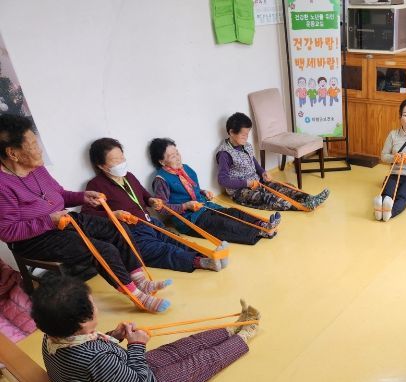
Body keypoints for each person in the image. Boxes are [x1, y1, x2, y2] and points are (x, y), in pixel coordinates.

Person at [32, 275, 260, 382]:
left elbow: (97, 360)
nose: (97, 306)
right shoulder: (95, 360)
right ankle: (244, 335)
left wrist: (115, 336)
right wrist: (136, 346)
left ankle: (230, 330)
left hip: (122, 376)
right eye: (94, 305)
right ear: (83, 322)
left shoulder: (53, 337)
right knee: (199, 363)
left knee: (177, 348)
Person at [0, 114, 170, 313]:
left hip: (62, 220)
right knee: (103, 250)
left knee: (117, 227)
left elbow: (59, 194)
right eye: (33, 145)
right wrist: (48, 220)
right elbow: (7, 232)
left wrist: (83, 197)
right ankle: (136, 296)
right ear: (13, 153)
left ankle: (140, 281)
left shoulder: (37, 169)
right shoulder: (3, 185)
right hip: (35, 239)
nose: (40, 149)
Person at [84, 137, 224, 273]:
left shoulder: (128, 176)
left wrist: (152, 201)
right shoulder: (95, 185)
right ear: (101, 165)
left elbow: (144, 196)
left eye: (122, 157)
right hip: (131, 232)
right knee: (163, 250)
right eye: (115, 160)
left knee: (175, 240)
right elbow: (87, 216)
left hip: (150, 222)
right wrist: (113, 215)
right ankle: (201, 262)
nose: (121, 162)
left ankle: (207, 255)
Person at [150, 137, 278, 245]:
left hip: (204, 207)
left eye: (177, 153)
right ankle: (261, 232)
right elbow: (161, 208)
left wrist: (203, 192)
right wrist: (185, 206)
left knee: (233, 212)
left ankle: (263, 224)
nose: (178, 158)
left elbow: (192, 189)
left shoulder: (185, 169)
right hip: (190, 220)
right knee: (223, 224)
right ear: (162, 162)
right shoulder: (161, 180)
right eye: (172, 156)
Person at [215, 112, 329, 211]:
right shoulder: (225, 154)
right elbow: (223, 180)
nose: (246, 137)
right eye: (243, 135)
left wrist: (262, 172)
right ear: (231, 132)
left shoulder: (246, 146)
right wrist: (247, 183)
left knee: (285, 187)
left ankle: (310, 198)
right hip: (240, 191)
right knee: (269, 198)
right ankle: (303, 206)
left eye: (247, 134)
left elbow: (253, 162)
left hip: (257, 182)